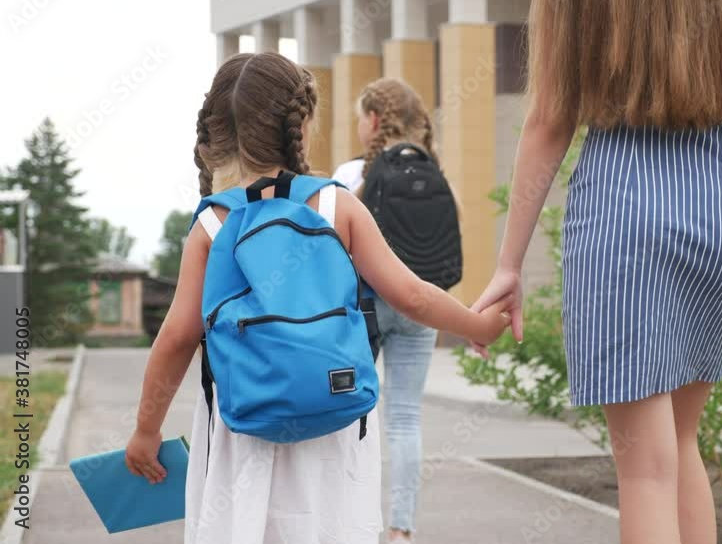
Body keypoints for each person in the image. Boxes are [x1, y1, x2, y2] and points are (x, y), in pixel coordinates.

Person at [471, 0, 722, 543]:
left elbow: (548, 115)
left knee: (645, 470)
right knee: (681, 443)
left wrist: (509, 264)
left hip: (621, 206)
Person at [123, 53, 511, 544]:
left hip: (242, 425)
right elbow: (411, 295)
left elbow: (177, 338)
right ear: (302, 127)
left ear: (219, 133)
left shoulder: (212, 223)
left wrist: (146, 431)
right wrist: (478, 325)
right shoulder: (335, 204)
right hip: (335, 417)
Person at [332, 77, 442, 544]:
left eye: (360, 116)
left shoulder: (349, 174)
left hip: (366, 307)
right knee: (404, 419)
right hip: (421, 304)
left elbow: (330, 246)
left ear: (373, 120)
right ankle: (400, 530)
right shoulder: (432, 170)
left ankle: (349, 523)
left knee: (351, 413)